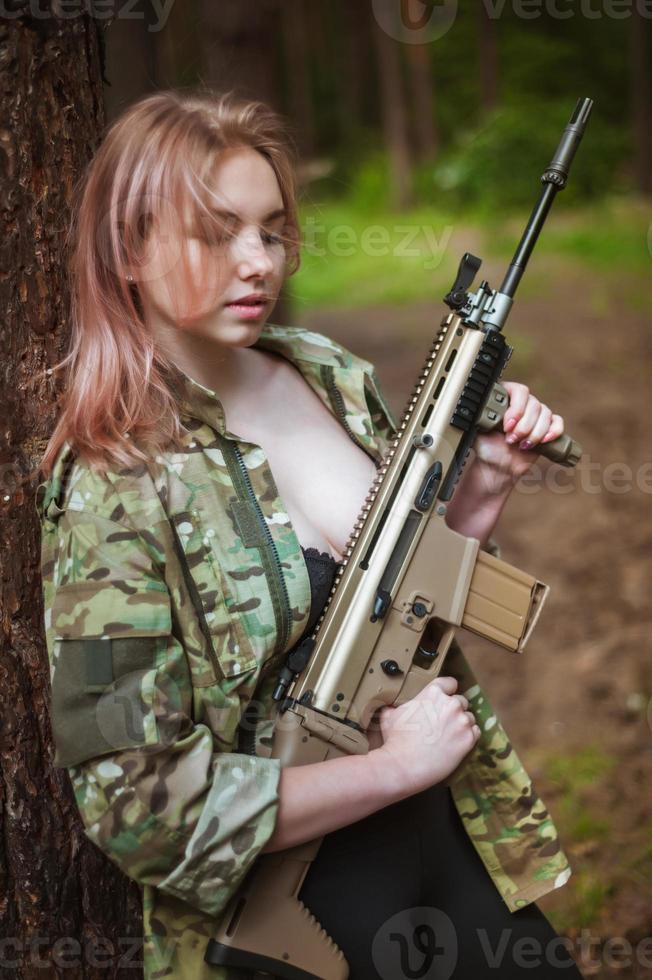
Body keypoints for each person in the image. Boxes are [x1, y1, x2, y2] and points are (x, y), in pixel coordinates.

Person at [36, 89, 583, 979]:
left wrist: (485, 486)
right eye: (216, 233)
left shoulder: (328, 374)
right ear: (129, 250)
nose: (257, 261)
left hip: (449, 833)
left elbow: (402, 599)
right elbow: (139, 808)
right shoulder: (112, 486)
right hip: (303, 911)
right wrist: (392, 769)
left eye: (271, 229)